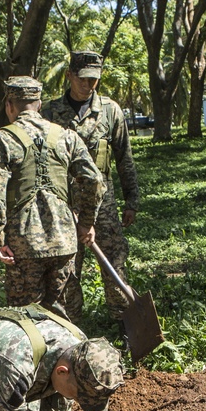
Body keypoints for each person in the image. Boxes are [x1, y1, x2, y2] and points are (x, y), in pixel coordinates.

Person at [0, 76, 104, 317]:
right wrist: (87, 222)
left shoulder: (4, 138)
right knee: (63, 317)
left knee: (26, 319)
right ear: (38, 104)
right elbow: (95, 180)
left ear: (10, 105)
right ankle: (68, 354)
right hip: (64, 241)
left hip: (23, 246)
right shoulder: (66, 136)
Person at [44, 51, 140, 328]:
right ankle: (71, 326)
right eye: (83, 79)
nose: (89, 85)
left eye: (94, 80)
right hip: (63, 203)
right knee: (67, 268)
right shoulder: (49, 113)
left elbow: (124, 158)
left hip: (104, 202)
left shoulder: (110, 111)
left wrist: (131, 200)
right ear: (69, 76)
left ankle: (122, 322)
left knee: (114, 262)